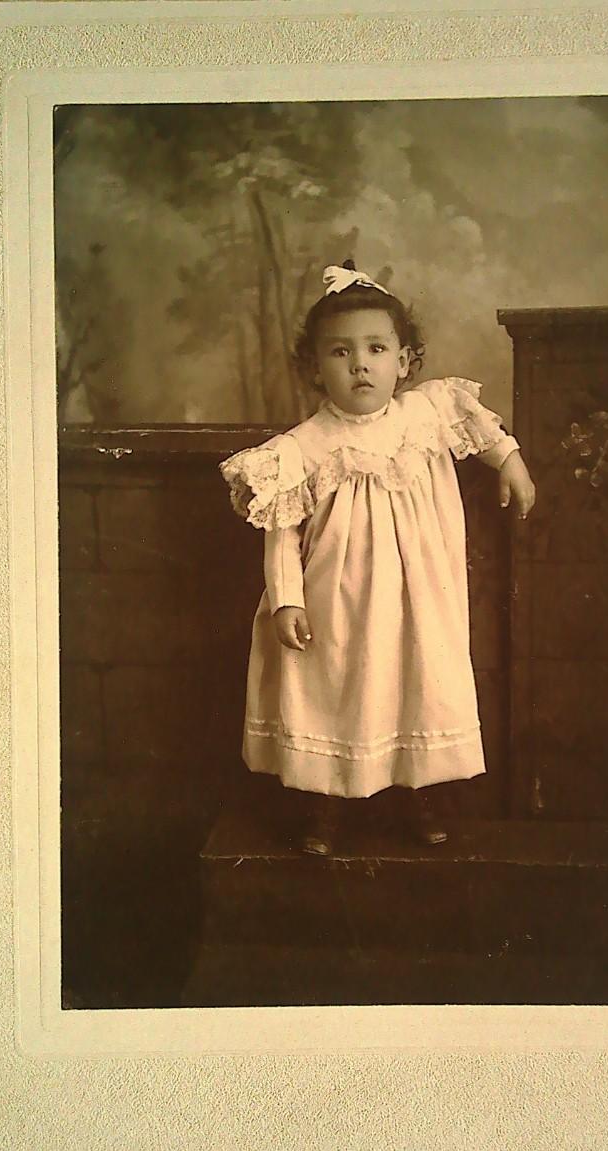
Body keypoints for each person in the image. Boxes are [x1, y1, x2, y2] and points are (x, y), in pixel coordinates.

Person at [219, 261, 536, 855]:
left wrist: (510, 461)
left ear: (404, 361)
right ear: (315, 368)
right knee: (337, 689)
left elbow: (485, 432)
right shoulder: (302, 446)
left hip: (420, 593)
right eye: (339, 352)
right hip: (337, 597)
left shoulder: (428, 413)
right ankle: (326, 805)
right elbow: (282, 533)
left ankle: (419, 794)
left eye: (375, 348)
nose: (359, 364)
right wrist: (287, 598)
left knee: (416, 682)